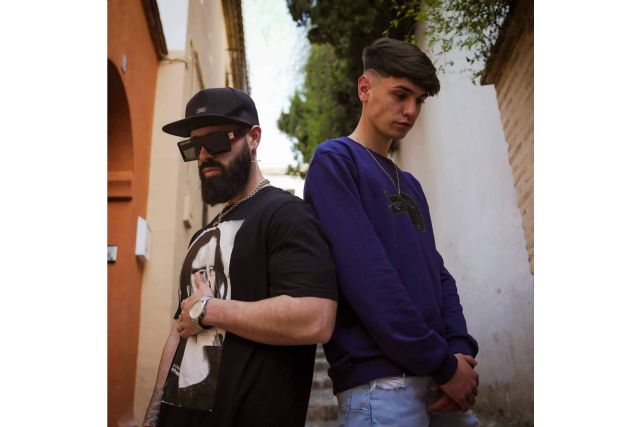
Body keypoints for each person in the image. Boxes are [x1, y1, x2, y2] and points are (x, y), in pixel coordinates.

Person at [303, 38, 480, 426]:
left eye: (419, 100)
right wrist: (443, 363)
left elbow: (437, 272)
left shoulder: (410, 184)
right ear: (365, 88)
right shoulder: (335, 161)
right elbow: (368, 278)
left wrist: (459, 350)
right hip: (381, 385)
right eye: (401, 95)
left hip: (438, 378)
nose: (411, 110)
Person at [142, 87, 338, 427]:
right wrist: (152, 417)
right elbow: (180, 328)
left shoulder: (287, 215)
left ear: (253, 138)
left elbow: (316, 318)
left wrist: (210, 309)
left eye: (216, 141)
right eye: (194, 147)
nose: (203, 155)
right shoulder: (200, 235)